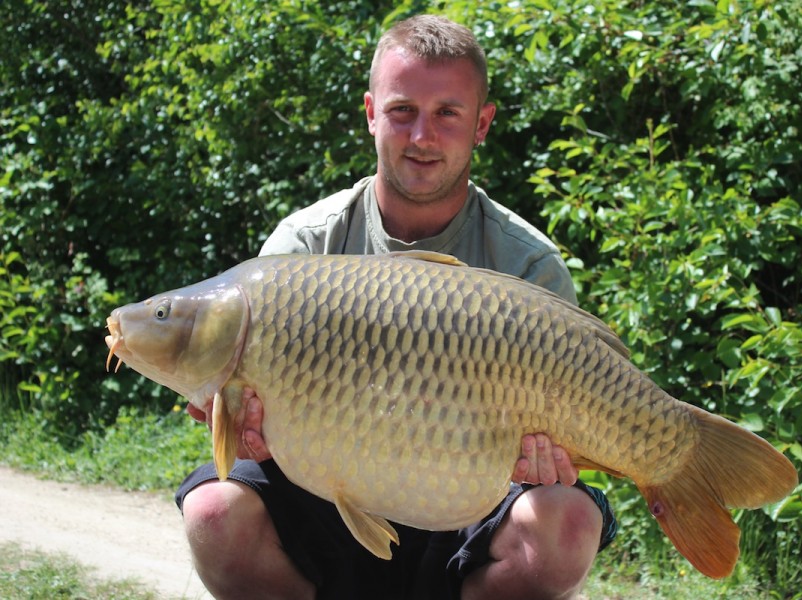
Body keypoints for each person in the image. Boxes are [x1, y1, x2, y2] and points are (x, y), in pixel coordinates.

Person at [175, 15, 616, 600]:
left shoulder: (528, 265)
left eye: (447, 114)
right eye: (403, 110)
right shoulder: (304, 247)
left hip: (466, 500)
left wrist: (547, 460)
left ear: (481, 123)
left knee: (566, 524)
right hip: (326, 493)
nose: (421, 137)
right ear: (371, 113)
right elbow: (255, 427)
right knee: (214, 511)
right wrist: (252, 432)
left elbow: (559, 447)